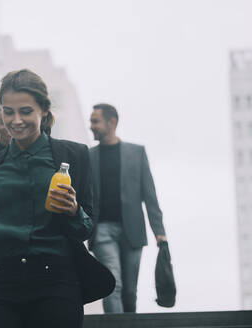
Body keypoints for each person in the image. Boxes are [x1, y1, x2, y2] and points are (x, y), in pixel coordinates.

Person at [0, 69, 115, 328]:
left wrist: (73, 209)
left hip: (56, 283)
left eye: (26, 111)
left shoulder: (75, 155)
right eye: (8, 112)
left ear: (43, 110)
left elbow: (86, 229)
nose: (16, 120)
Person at [88, 103, 167, 313]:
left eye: (95, 121)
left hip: (132, 231)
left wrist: (159, 232)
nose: (91, 126)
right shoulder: (88, 156)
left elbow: (150, 196)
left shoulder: (136, 153)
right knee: (113, 284)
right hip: (102, 231)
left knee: (129, 292)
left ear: (111, 122)